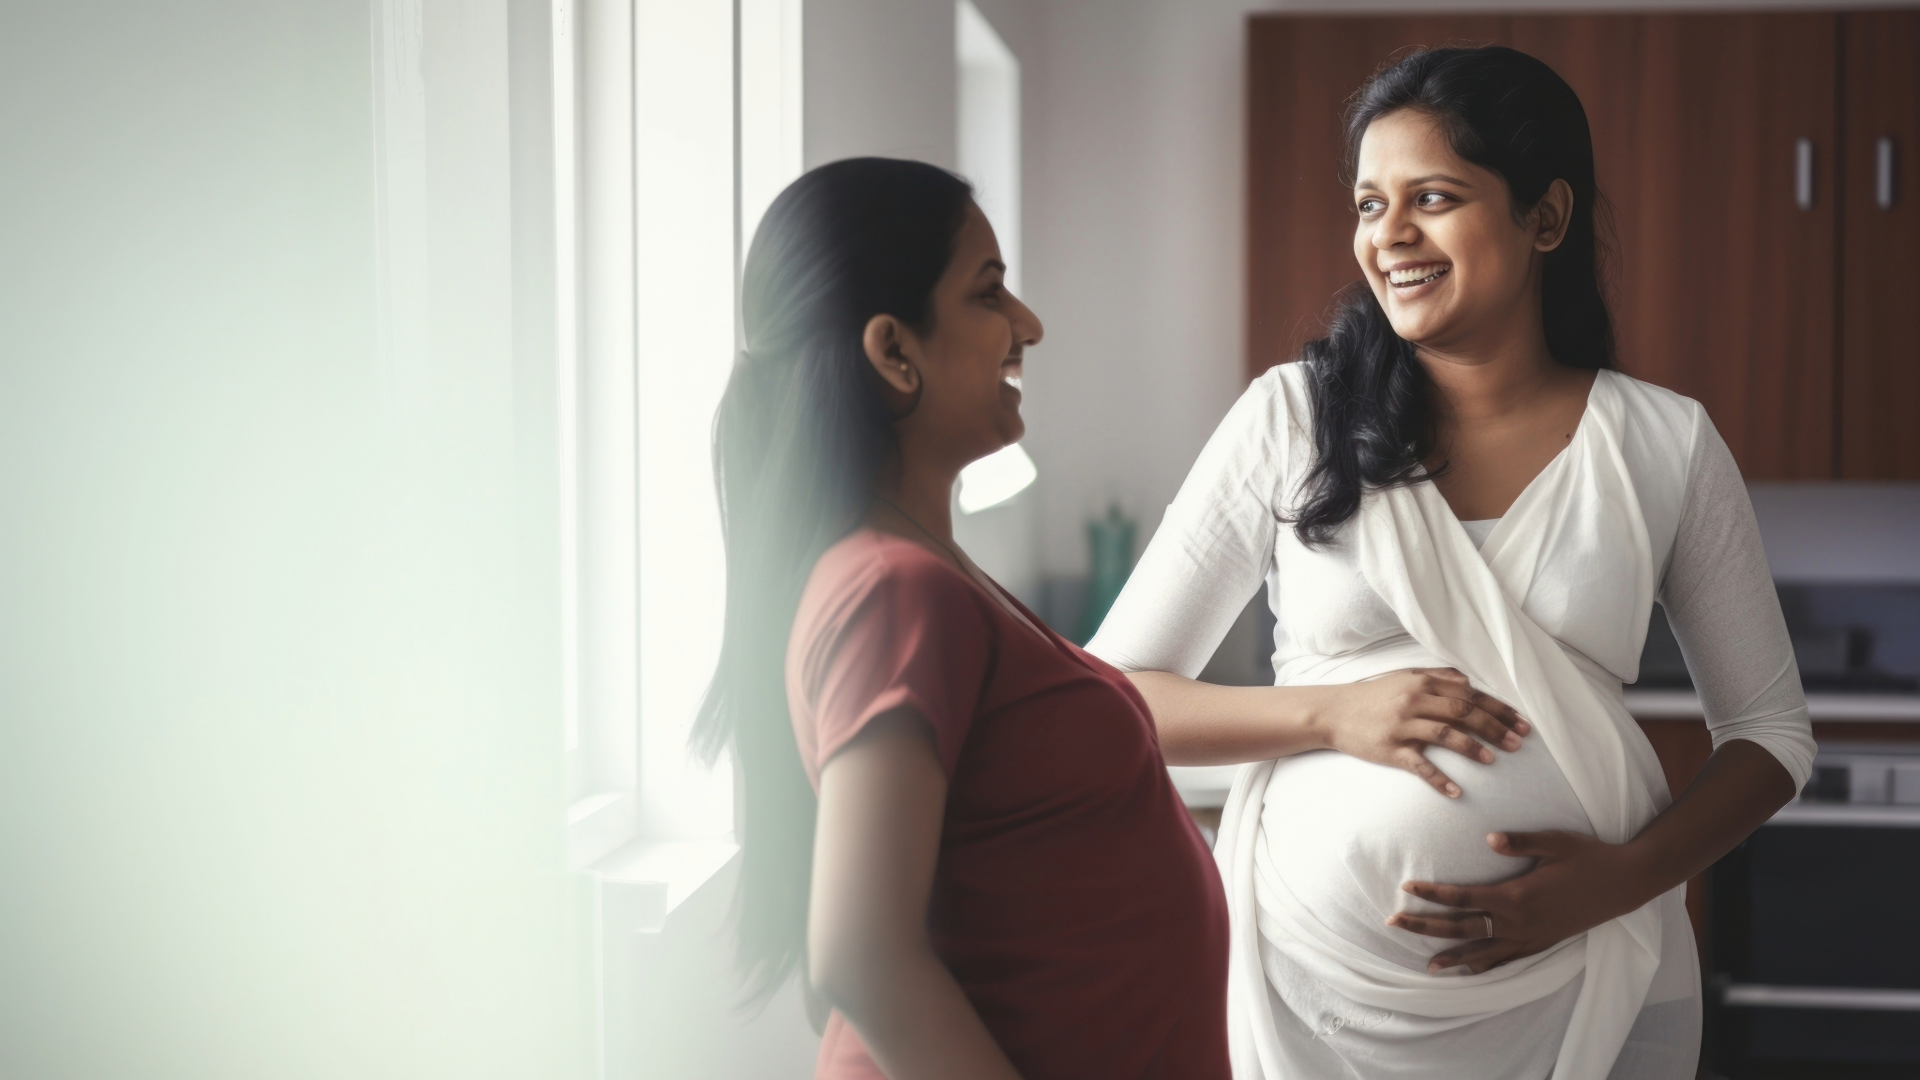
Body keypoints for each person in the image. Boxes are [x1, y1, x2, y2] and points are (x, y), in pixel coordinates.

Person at [1086, 47, 1816, 1080]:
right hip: (1311, 996)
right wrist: (1330, 714)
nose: (1389, 237)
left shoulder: (1663, 444)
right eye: (1370, 204)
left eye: (1432, 197)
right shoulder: (1291, 420)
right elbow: (1109, 702)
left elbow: (1771, 736)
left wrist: (1622, 880)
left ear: (1545, 218)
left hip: (1577, 981)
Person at [694, 157, 1232, 1080]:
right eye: (990, 295)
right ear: (894, 351)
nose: (1028, 326)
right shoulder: (894, 589)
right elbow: (860, 956)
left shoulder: (924, 571)